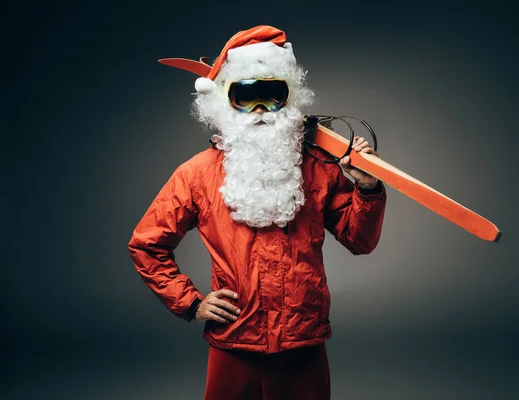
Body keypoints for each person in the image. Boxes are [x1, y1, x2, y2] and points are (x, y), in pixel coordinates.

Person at [128, 25, 386, 400]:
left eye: (272, 95)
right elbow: (146, 245)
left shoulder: (319, 166)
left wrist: (367, 187)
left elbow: (360, 241)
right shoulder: (196, 173)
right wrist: (191, 303)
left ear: (290, 99)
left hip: (304, 343)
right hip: (235, 344)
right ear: (224, 102)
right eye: (246, 96)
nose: (261, 109)